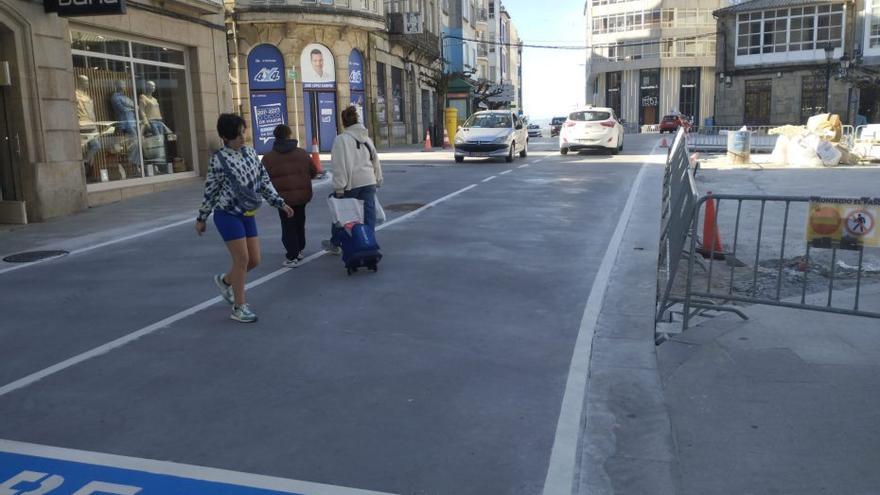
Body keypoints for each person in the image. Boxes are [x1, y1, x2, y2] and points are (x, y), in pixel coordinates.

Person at [196, 114, 294, 323]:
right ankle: (239, 306)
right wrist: (202, 217)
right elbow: (211, 190)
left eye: (242, 132)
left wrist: (280, 202)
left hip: (248, 214)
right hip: (227, 215)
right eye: (236, 135)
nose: (242, 137)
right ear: (224, 136)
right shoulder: (219, 159)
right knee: (242, 260)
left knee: (254, 260)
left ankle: (225, 281)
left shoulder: (250, 153)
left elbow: (264, 182)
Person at [322, 106, 383, 255]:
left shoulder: (341, 139)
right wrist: (378, 179)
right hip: (369, 181)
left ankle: (335, 243)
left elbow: (339, 165)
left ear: (343, 122)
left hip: (351, 183)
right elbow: (375, 160)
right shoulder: (367, 139)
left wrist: (339, 188)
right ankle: (369, 242)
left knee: (342, 214)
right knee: (368, 215)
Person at [262, 124, 317, 268]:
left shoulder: (268, 158)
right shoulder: (302, 153)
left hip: (283, 198)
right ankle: (299, 249)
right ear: (289, 135)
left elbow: (263, 179)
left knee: (288, 225)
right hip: (302, 194)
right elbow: (313, 171)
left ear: (275, 137)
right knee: (300, 221)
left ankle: (292, 254)